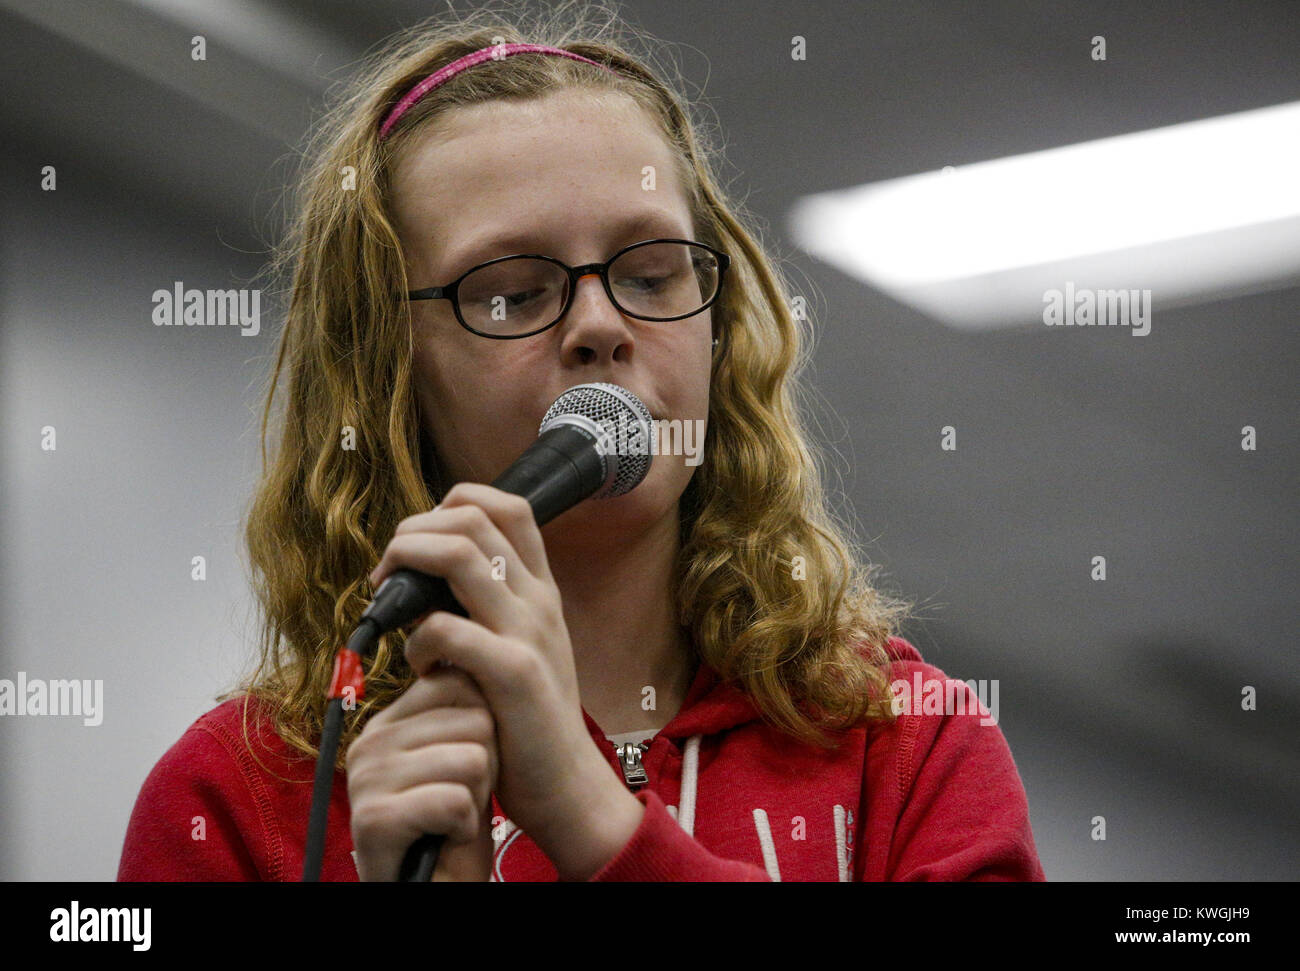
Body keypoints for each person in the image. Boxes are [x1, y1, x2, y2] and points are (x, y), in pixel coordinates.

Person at [117, 3, 1045, 882]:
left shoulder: (906, 739)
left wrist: (593, 820)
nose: (599, 324)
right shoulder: (236, 798)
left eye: (649, 273)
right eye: (514, 293)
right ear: (389, 370)